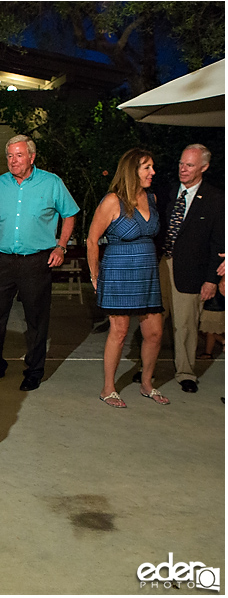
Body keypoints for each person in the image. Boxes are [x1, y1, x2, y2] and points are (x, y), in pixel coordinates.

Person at [0, 135, 79, 392]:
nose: (13, 160)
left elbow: (70, 214)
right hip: (3, 260)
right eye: (10, 156)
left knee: (36, 318)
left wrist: (61, 246)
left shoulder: (51, 183)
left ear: (32, 157)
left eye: (19, 155)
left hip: (36, 261)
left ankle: (34, 371)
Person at [86, 149, 169, 408]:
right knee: (119, 332)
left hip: (147, 273)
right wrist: (94, 274)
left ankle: (146, 384)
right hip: (118, 273)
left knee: (154, 332)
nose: (152, 172)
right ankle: (108, 388)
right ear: (132, 170)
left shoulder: (152, 197)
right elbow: (92, 240)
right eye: (147, 167)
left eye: (152, 167)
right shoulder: (113, 201)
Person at [154, 144, 224, 393]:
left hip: (192, 271)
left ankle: (185, 372)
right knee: (153, 318)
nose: (183, 169)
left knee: (185, 324)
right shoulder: (167, 192)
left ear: (204, 167)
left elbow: (219, 242)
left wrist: (211, 279)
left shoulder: (216, 199)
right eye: (182, 163)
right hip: (161, 263)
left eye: (190, 165)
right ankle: (147, 367)